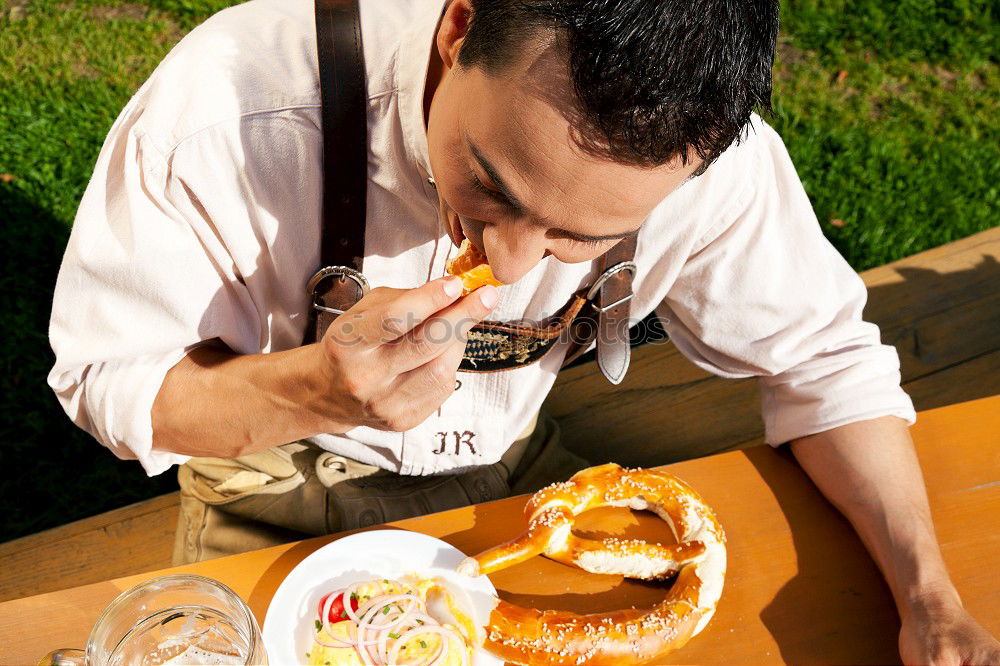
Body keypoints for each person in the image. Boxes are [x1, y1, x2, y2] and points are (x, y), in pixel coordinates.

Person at [47, 0, 998, 663]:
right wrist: (316, 390)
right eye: (493, 184)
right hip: (272, 470)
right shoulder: (233, 109)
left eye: (583, 235)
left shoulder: (716, 170)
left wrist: (930, 599)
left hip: (516, 467)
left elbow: (827, 362)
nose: (507, 268)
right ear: (459, 28)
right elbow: (106, 379)